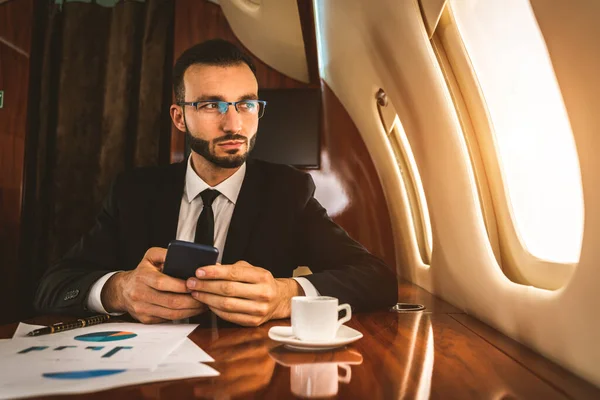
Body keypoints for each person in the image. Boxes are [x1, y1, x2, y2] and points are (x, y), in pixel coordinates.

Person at [34, 39, 397, 326]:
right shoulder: (133, 192)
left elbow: (377, 279)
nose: (234, 125)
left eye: (246, 104)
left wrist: (285, 295)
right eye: (211, 106)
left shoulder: (287, 192)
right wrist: (118, 290)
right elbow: (53, 285)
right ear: (179, 117)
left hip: (250, 370)